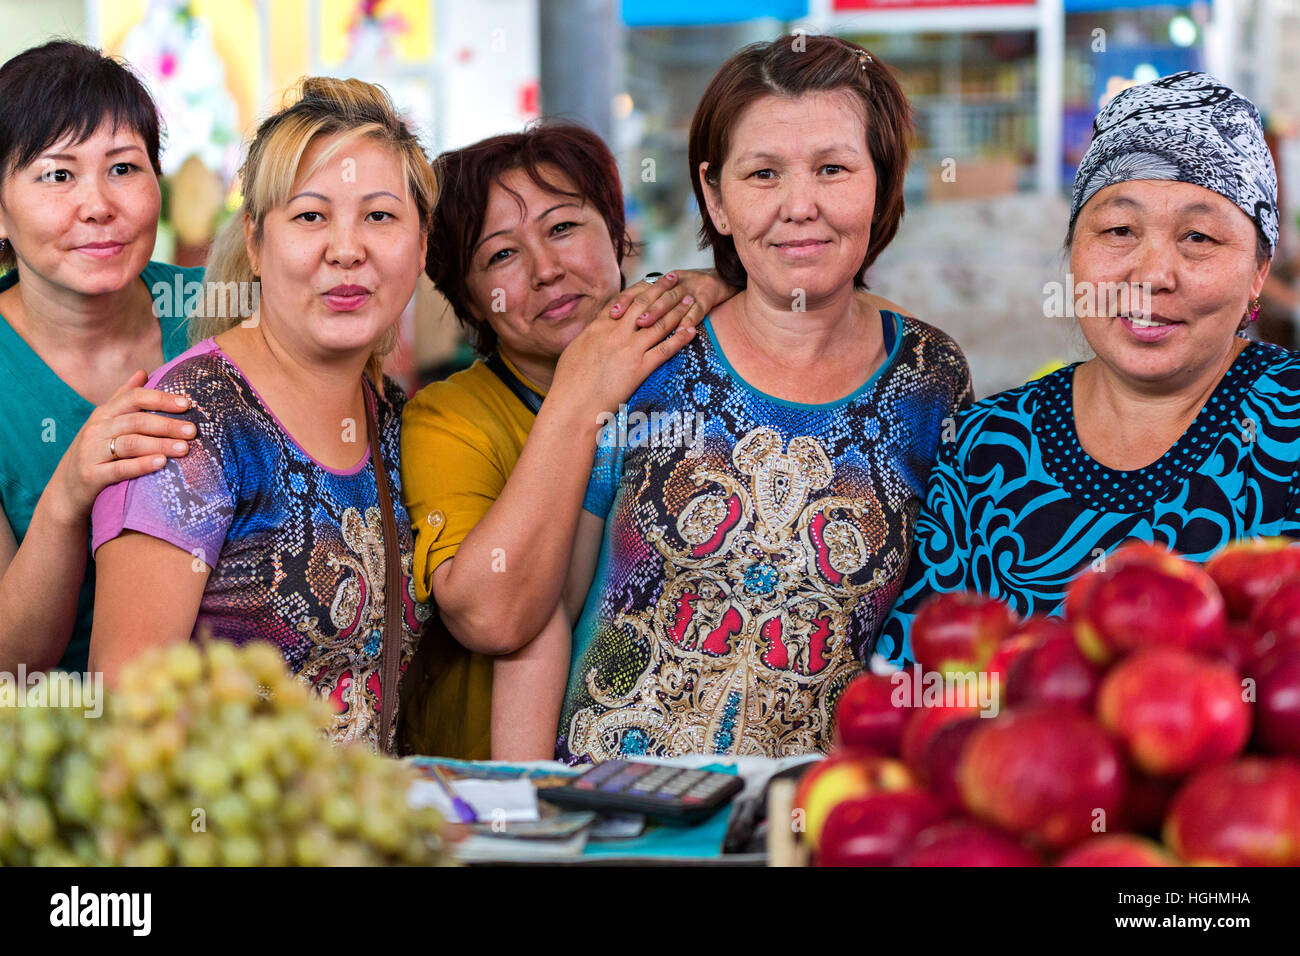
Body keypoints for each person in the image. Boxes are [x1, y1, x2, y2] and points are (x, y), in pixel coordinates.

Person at [552, 35, 972, 764]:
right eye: (763, 173)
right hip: (611, 807)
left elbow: (937, 631)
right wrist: (531, 812)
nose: (798, 206)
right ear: (716, 198)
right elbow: (547, 612)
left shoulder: (929, 378)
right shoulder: (650, 352)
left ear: (883, 185)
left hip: (812, 815)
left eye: (833, 169)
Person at [879, 72, 1299, 662]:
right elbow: (916, 687)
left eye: (1200, 236)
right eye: (1119, 230)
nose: (1153, 275)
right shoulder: (984, 448)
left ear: (1259, 271)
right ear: (1074, 251)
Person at [90, 77, 436, 752]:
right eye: (310, 216)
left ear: (422, 246)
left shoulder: (394, 417)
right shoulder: (193, 425)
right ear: (255, 241)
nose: (346, 249)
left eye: (380, 216)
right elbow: (127, 706)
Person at [401, 121, 734, 759]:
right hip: (493, 806)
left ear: (615, 236)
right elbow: (492, 615)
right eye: (501, 255)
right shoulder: (448, 419)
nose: (547, 270)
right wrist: (579, 397)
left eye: (562, 228)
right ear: (469, 301)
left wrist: (728, 287)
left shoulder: (697, 360)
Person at [0, 40, 201, 673]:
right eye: (58, 174)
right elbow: (10, 669)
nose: (99, 206)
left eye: (123, 168)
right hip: (63, 747)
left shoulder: (222, 314)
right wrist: (70, 490)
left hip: (244, 718)